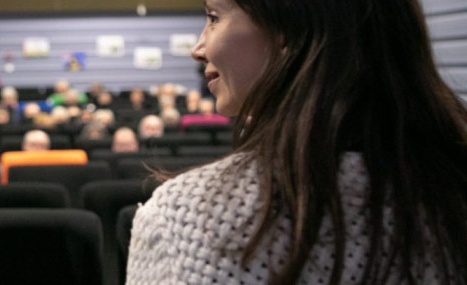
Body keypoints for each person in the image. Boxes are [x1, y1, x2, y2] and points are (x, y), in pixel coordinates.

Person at [127, 0, 467, 284]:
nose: (198, 48)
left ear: (288, 30)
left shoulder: (183, 221)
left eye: (214, 17)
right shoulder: (449, 189)